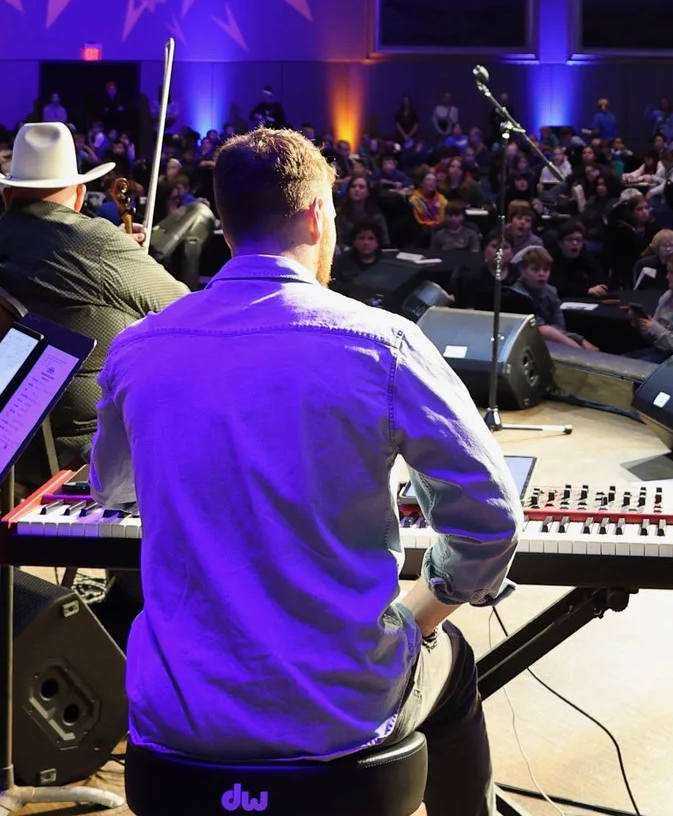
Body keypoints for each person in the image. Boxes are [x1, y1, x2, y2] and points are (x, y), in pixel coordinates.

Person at [92, 129, 518, 815]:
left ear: (225, 222)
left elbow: (112, 489)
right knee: (453, 655)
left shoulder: (139, 346)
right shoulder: (383, 345)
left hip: (177, 720)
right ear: (320, 215)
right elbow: (492, 521)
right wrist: (423, 610)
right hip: (336, 718)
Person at [0, 123, 188, 465]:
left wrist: (113, 253)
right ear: (79, 196)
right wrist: (118, 252)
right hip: (91, 445)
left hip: (1, 443)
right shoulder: (98, 242)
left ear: (7, 196)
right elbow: (181, 306)